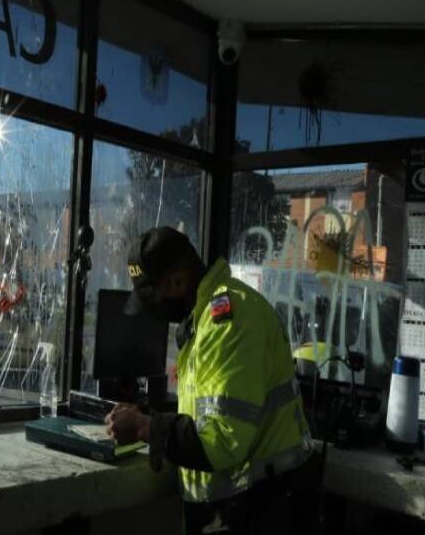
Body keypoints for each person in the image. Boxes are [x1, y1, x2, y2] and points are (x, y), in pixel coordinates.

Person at [105, 227, 319, 534]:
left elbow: (221, 441)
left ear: (178, 280)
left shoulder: (227, 321)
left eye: (156, 297)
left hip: (261, 508)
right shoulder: (206, 318)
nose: (156, 312)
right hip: (241, 504)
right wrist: (148, 420)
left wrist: (145, 427)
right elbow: (209, 415)